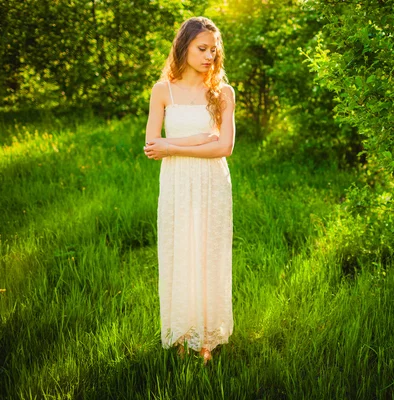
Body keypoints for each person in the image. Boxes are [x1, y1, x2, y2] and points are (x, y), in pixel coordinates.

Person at [143, 16, 235, 364]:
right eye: (202, 48)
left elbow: (224, 147)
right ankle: (181, 334)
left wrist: (175, 145)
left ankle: (207, 338)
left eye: (214, 49)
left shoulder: (223, 93)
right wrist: (200, 138)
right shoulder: (162, 90)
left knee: (208, 254)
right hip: (177, 183)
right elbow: (153, 145)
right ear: (183, 47)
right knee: (179, 251)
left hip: (212, 182)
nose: (209, 55)